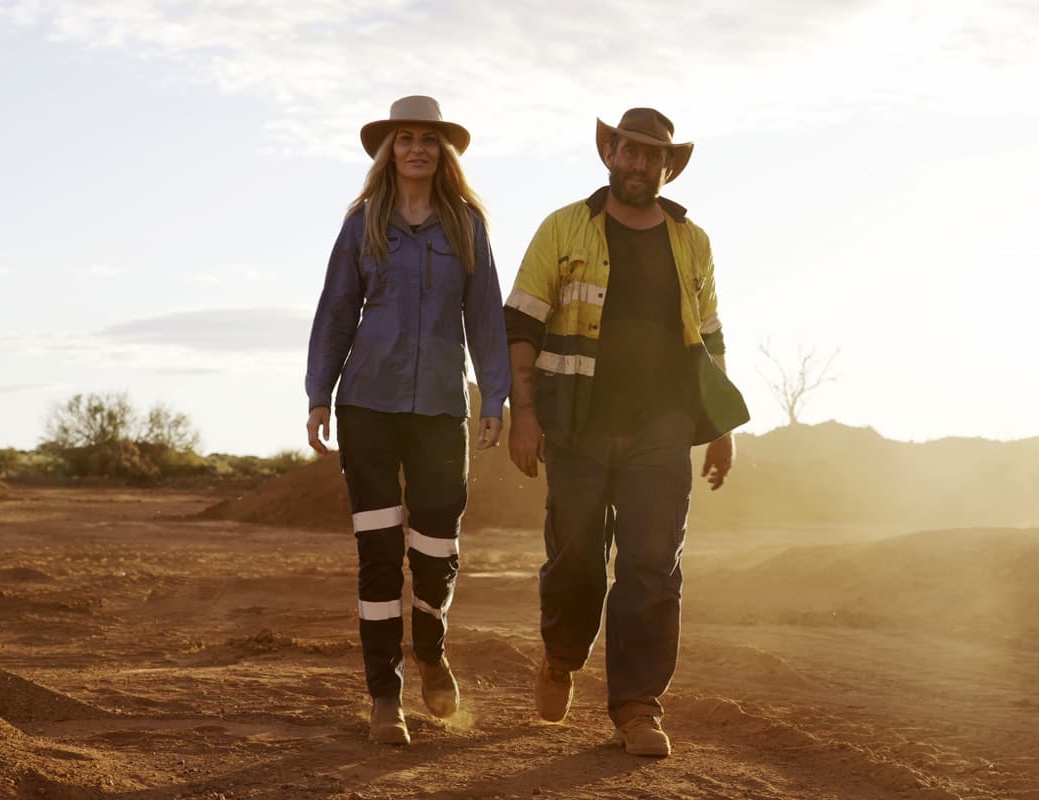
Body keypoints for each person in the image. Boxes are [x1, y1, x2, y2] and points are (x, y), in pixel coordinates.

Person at [503, 107, 749, 758]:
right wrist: (523, 412)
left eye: (654, 156)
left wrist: (720, 426)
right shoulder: (563, 228)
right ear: (609, 153)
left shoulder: (691, 240)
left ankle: (638, 707)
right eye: (629, 151)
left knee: (650, 564)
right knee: (577, 558)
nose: (640, 164)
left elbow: (711, 336)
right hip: (577, 422)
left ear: (668, 166)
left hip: (661, 426)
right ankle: (560, 657)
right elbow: (522, 322)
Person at [305, 95, 510, 746]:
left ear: (443, 151)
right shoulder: (364, 223)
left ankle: (432, 649)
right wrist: (318, 394)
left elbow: (484, 317)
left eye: (428, 138)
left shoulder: (466, 226)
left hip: (442, 406)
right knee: (378, 551)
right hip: (367, 402)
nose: (416, 147)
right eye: (404, 137)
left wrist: (495, 398)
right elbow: (337, 309)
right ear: (388, 150)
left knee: (436, 551)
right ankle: (384, 696)